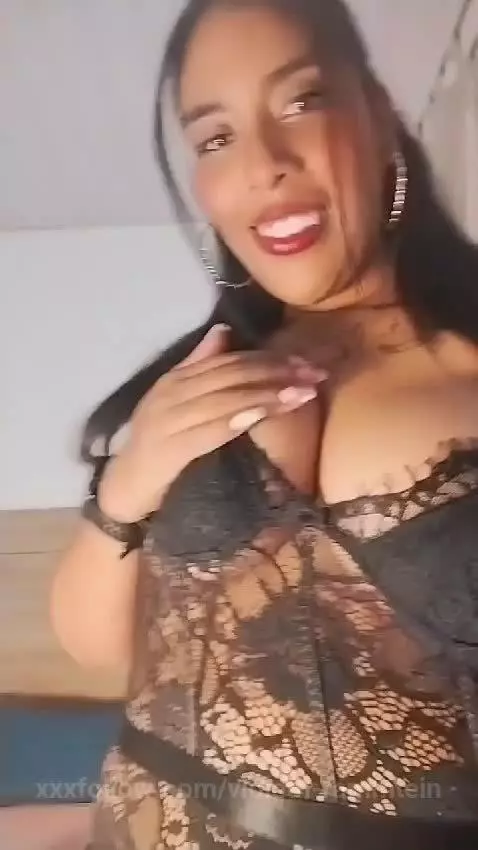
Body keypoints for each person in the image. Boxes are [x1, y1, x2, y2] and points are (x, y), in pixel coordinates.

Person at [51, 0, 478, 847]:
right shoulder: (196, 383)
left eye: (301, 101)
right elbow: (96, 644)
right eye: (215, 138)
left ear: (379, 115)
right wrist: (132, 478)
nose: (263, 165)